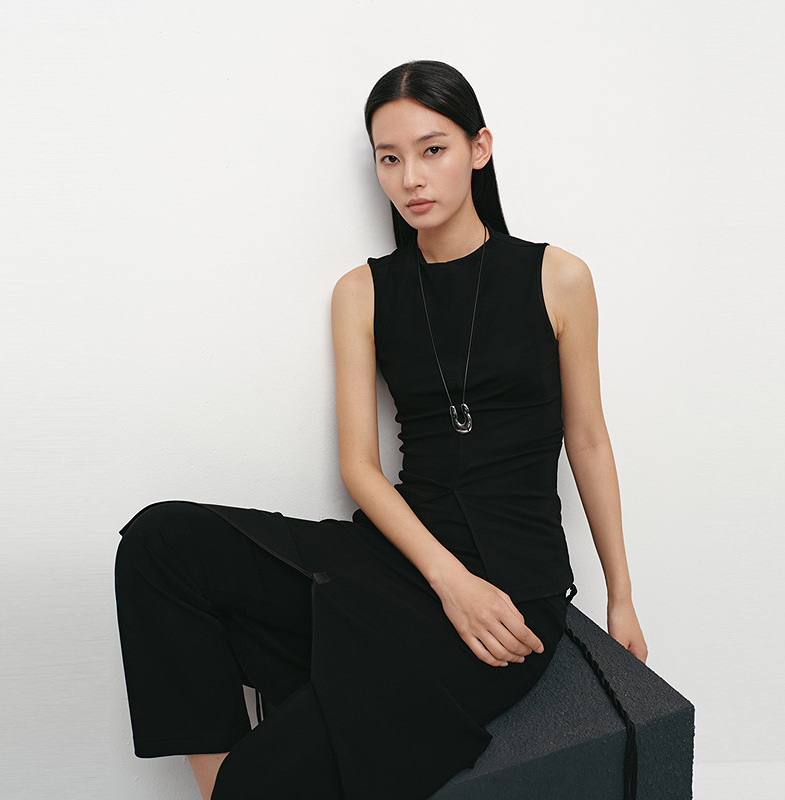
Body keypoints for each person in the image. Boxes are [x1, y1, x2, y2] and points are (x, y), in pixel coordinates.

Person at [114, 59, 648, 800]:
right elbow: (359, 466)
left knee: (267, 782)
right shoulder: (362, 291)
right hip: (400, 560)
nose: (411, 178)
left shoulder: (558, 277)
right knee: (160, 542)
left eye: (433, 150)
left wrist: (621, 596)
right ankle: (218, 791)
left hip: (509, 593)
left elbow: (587, 439)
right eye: (389, 159)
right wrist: (448, 580)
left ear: (479, 148)